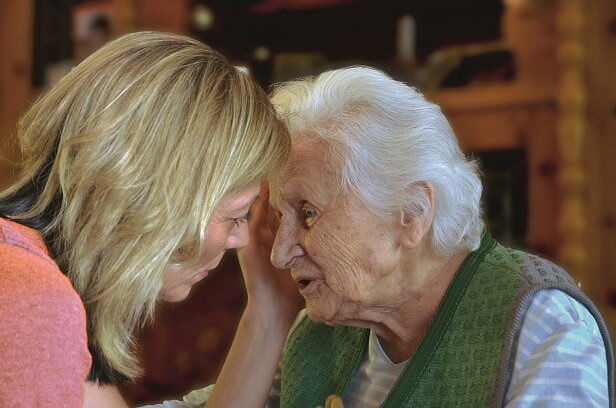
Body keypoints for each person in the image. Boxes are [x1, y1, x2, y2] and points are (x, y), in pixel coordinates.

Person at [173, 66, 614, 407]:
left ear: (411, 214)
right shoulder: (316, 334)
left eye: (307, 214)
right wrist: (266, 310)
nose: (280, 254)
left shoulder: (539, 326)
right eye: (276, 218)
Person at [0, 31, 302, 407]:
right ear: (166, 196)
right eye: (239, 215)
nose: (241, 240)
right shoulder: (32, 303)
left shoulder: (36, 282)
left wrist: (269, 307)